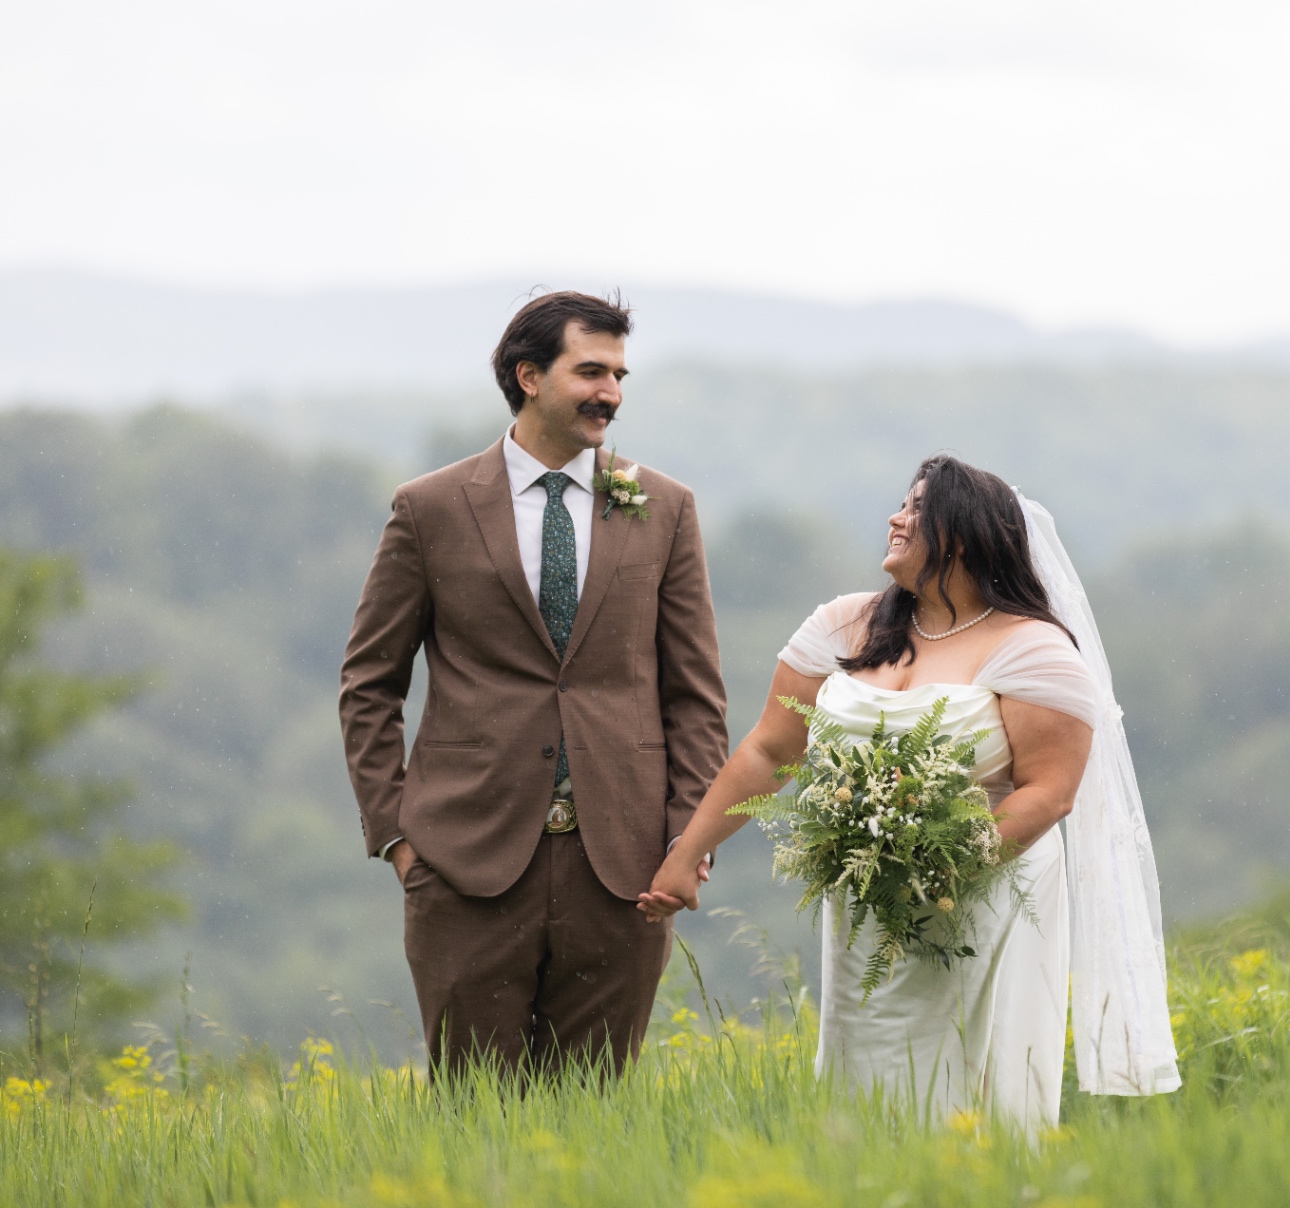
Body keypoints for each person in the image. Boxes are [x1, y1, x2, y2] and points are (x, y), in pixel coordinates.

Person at [639, 454, 1179, 1131]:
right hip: (867, 904)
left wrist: (936, 870)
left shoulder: (1032, 649)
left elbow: (1050, 793)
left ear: (964, 531)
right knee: (867, 1073)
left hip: (982, 898)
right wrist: (688, 853)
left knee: (966, 1083)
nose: (897, 517)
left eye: (917, 508)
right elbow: (770, 749)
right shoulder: (845, 625)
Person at [338, 291, 727, 1077]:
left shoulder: (666, 508)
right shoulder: (430, 509)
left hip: (623, 869)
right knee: (473, 1109)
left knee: (588, 1118)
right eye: (591, 371)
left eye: (619, 374)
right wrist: (399, 836)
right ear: (528, 375)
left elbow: (696, 694)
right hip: (465, 861)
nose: (611, 392)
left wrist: (690, 834)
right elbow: (370, 683)